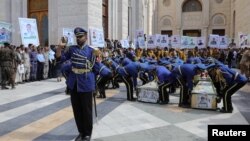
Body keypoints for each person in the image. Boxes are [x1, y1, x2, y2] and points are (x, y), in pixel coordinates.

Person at [58, 27, 103, 141]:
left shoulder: (92, 51)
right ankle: (81, 132)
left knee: (86, 110)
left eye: (80, 37)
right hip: (74, 84)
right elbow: (60, 58)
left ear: (86, 37)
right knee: (77, 110)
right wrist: (59, 47)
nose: (78, 39)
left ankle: (87, 134)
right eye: (77, 37)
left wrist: (95, 83)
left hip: (86, 83)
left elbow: (96, 68)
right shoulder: (71, 49)